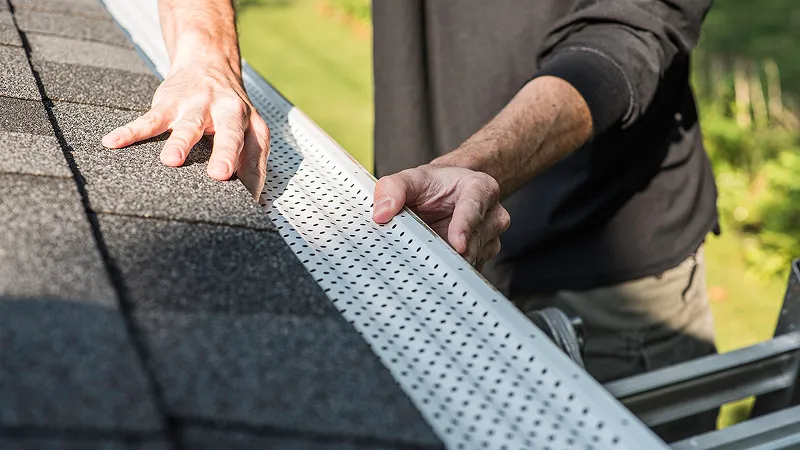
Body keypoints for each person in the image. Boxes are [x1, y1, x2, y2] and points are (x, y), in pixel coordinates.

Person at [102, 0, 719, 440]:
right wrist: (206, 56)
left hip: (606, 280)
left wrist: (475, 165)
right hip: (426, 242)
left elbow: (629, 33)